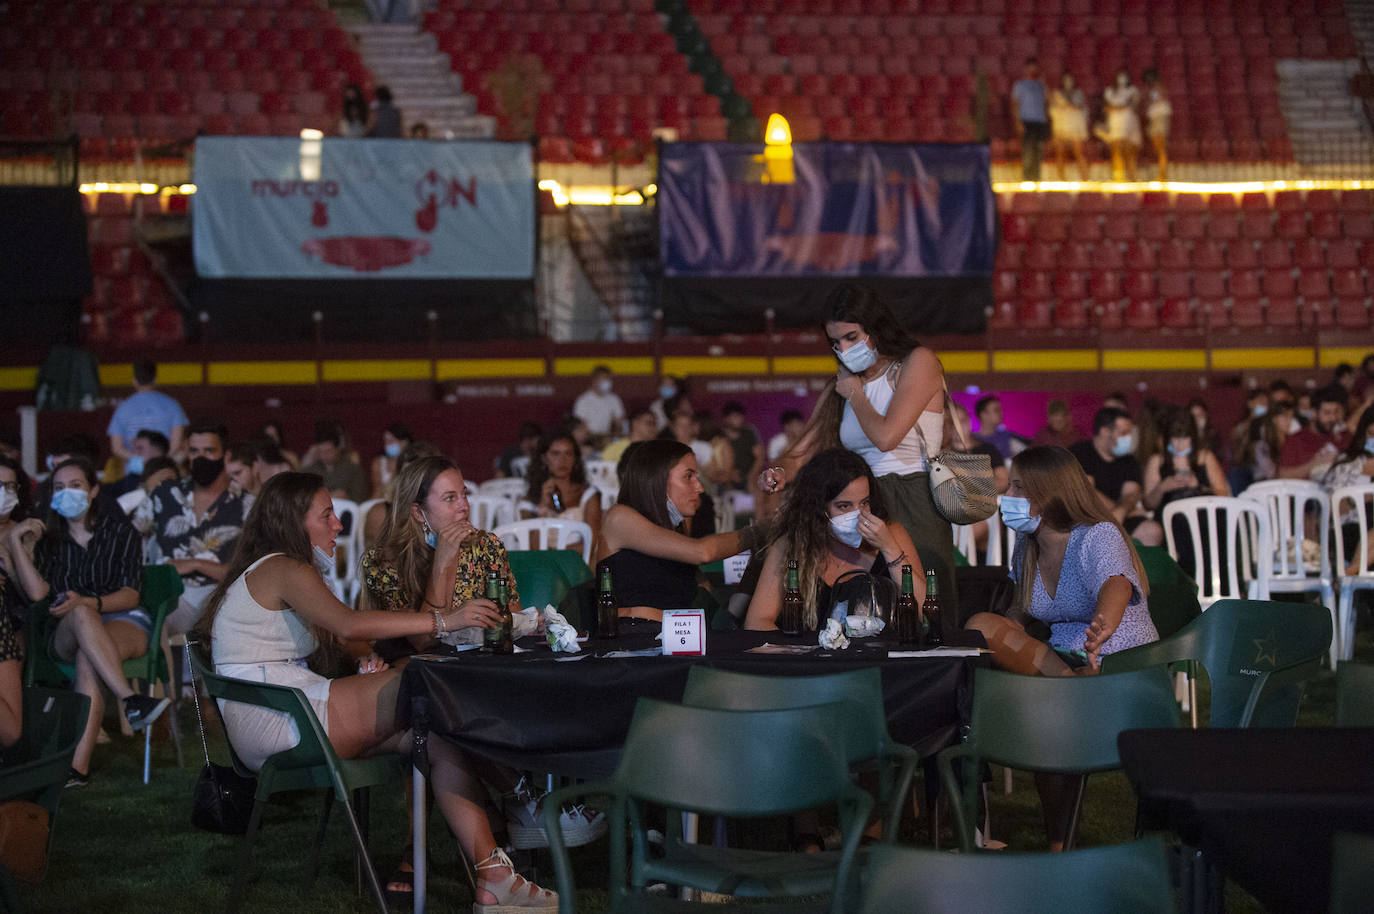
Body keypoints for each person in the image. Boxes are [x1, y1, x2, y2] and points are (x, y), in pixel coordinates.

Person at [204, 472, 557, 911]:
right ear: (293, 521)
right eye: (327, 514)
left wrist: (362, 662)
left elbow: (342, 638)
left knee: (439, 733)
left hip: (291, 704)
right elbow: (350, 623)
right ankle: (523, 798)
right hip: (276, 717)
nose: (338, 525)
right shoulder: (283, 567)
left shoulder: (288, 569)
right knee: (425, 680)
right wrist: (446, 620)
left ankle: (494, 877)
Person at [964, 445, 1156, 851]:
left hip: (1114, 662)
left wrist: (1102, 627)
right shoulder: (1027, 546)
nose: (1007, 495)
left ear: (1049, 492)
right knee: (983, 630)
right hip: (1064, 668)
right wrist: (1001, 638)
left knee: (1045, 710)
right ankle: (1057, 845)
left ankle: (1057, 846)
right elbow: (1021, 613)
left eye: (1018, 486)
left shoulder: (1096, 535)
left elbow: (1116, 583)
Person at [779, 282, 958, 609]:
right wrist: (777, 472)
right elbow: (800, 450)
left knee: (923, 603)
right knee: (864, 602)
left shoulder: (917, 362)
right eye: (836, 342)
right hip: (857, 502)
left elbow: (886, 437)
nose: (844, 350)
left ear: (876, 328)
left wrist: (856, 394)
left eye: (851, 337)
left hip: (911, 495)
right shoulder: (844, 381)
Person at [7, 458, 169, 786]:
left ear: (94, 490)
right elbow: (38, 594)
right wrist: (21, 546)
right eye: (59, 487)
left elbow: (130, 595)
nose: (67, 493)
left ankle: (77, 770)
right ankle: (130, 700)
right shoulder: (47, 539)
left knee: (89, 653)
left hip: (123, 619)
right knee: (81, 615)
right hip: (66, 627)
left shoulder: (119, 532)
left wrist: (90, 601)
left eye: (76, 486)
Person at [744, 448, 921, 632]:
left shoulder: (892, 534)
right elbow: (757, 621)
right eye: (844, 506)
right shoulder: (793, 543)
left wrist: (889, 548)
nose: (858, 514)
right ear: (819, 508)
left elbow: (925, 613)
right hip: (814, 658)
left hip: (881, 656)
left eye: (864, 503)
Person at [595, 440, 767, 629]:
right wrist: (761, 530)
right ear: (657, 478)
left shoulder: (674, 527)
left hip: (679, 640)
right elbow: (703, 552)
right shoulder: (619, 518)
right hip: (634, 642)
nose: (699, 488)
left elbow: (705, 595)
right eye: (688, 476)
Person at [150, 418, 249, 637]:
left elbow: (250, 574)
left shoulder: (247, 505)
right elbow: (129, 532)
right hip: (169, 595)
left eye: (209, 451)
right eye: (194, 451)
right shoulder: (165, 495)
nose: (200, 458)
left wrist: (196, 564)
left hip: (220, 596)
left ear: (226, 455)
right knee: (153, 616)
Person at [1140, 412, 1230, 556]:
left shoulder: (1205, 458)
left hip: (1205, 522)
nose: (1179, 444)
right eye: (1174, 438)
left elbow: (1224, 495)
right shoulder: (1158, 461)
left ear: (1192, 438)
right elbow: (1149, 504)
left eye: (1184, 438)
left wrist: (1199, 487)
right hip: (1171, 524)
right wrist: (1163, 487)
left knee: (1215, 526)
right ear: (1167, 439)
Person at [0, 456, 35, 750]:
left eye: (10, 486)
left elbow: (32, 596)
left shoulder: (25, 531)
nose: (5, 493)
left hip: (14, 619)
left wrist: (12, 549)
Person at [521, 431, 603, 551]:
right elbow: (533, 548)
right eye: (555, 454)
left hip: (577, 564)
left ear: (575, 459)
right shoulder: (528, 503)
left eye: (568, 454)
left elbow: (591, 543)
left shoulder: (588, 495)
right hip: (542, 566)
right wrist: (543, 507)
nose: (562, 460)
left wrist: (555, 555)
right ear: (544, 458)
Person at [1069, 408, 1144, 529]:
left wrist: (1122, 511)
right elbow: (1087, 493)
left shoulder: (1130, 460)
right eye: (1124, 433)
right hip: (1086, 519)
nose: (1129, 438)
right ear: (1105, 432)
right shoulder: (1079, 453)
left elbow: (1131, 493)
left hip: (1122, 517)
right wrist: (1118, 511)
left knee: (1151, 530)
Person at [1321, 404, 1374, 574]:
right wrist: (1359, 499)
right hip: (1350, 530)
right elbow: (1327, 511)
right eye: (1372, 434)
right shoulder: (1347, 464)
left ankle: (1350, 573)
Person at [106, 359, 188, 463]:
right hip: (164, 468)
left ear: (134, 381)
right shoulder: (173, 405)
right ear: (155, 380)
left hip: (135, 471)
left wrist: (140, 461)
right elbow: (177, 444)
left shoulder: (122, 408)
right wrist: (161, 462)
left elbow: (117, 448)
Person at [1279, 387, 1350, 480]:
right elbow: (1283, 474)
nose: (1333, 418)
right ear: (1314, 413)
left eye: (1335, 412)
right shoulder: (1296, 439)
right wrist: (1314, 464)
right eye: (1327, 413)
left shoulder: (1344, 437)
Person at [302, 421, 369, 504]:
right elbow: (302, 499)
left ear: (338, 449)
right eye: (320, 451)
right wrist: (331, 495)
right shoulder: (309, 472)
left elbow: (360, 498)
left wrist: (346, 497)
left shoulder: (353, 470)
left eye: (328, 451)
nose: (324, 455)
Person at [104, 429, 170, 506]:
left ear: (158, 452)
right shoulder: (132, 478)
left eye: (140, 449)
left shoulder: (167, 477)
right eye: (134, 449)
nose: (134, 453)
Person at [1012, 57, 1050, 181]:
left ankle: (1036, 177)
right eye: (1030, 67)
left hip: (1040, 121)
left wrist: (1044, 83)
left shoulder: (1040, 85)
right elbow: (1015, 103)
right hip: (1026, 120)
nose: (1033, 70)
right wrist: (1018, 122)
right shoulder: (1020, 85)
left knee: (1038, 149)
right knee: (1028, 149)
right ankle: (1027, 177)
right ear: (1026, 68)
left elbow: (1047, 100)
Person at [1100, 69, 1142, 181]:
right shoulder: (1110, 91)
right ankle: (1118, 175)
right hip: (1114, 122)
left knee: (1128, 149)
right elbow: (1106, 106)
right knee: (1116, 149)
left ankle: (1131, 175)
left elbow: (1133, 105)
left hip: (1128, 121)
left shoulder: (1132, 91)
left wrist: (1120, 107)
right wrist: (1118, 107)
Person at [571, 365, 626, 448]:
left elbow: (619, 423)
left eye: (609, 379)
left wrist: (615, 436)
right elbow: (581, 427)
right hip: (589, 440)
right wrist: (597, 440)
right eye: (604, 378)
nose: (607, 382)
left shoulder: (614, 399)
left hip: (608, 439)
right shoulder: (583, 400)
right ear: (595, 380)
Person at [1049, 72, 1089, 180]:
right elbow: (1053, 110)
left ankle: (1085, 178)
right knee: (1060, 152)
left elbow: (1082, 108)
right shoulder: (1057, 94)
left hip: (1075, 125)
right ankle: (1061, 178)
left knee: (1078, 151)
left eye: (1070, 80)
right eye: (1066, 80)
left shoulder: (1078, 93)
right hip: (1061, 125)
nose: (1068, 82)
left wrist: (1071, 106)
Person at [720, 402, 763, 495]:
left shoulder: (749, 432)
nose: (738, 419)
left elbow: (759, 458)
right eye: (734, 416)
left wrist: (751, 477)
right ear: (726, 419)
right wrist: (729, 474)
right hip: (727, 476)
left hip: (749, 474)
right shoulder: (719, 436)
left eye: (740, 416)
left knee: (761, 487)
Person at [974, 395, 1029, 461]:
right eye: (996, 410)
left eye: (1001, 410)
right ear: (983, 414)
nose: (1001, 413)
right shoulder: (973, 440)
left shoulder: (1007, 435)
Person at [370, 422, 414, 500]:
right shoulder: (378, 462)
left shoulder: (413, 462)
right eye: (386, 441)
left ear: (404, 442)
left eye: (391, 441)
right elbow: (377, 491)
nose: (387, 444)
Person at [1142, 67, 1171, 180]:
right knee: (1158, 147)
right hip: (1155, 118)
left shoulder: (1158, 88)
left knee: (1161, 147)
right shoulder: (1154, 89)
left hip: (1159, 118)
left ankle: (1163, 174)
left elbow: (1159, 100)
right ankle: (1162, 173)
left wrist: (1148, 102)